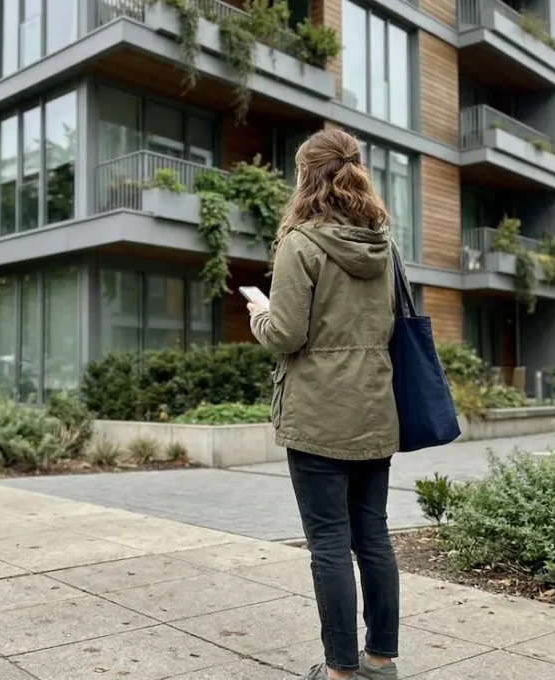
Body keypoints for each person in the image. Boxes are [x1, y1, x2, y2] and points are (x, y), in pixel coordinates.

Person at [247, 129, 403, 680]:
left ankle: (340, 671)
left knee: (330, 544)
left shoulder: (301, 242)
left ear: (305, 176)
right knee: (373, 536)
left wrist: (257, 312)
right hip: (375, 407)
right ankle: (380, 661)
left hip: (317, 411)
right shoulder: (383, 244)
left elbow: (286, 334)